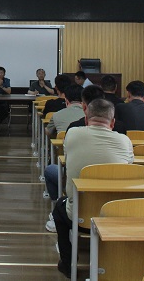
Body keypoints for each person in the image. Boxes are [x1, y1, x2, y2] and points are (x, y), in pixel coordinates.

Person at [52, 98, 133, 278]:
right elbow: (129, 167)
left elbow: (67, 158)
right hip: (115, 213)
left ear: (86, 119)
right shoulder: (124, 141)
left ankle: (68, 264)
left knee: (59, 208)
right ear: (112, 122)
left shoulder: (72, 134)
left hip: (79, 216)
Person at [44, 85, 106, 233]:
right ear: (112, 122)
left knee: (51, 170)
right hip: (110, 199)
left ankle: (59, 206)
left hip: (78, 193)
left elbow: (67, 158)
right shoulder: (123, 136)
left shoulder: (73, 130)